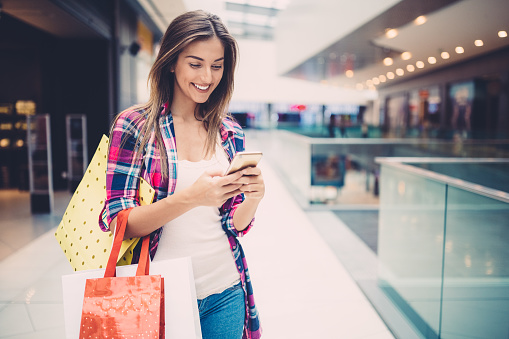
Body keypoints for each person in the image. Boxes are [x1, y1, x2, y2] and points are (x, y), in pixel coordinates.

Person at [100, 10, 264, 339]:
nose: (207, 75)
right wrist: (191, 198)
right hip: (157, 292)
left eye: (217, 66)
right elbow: (119, 221)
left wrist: (253, 199)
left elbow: (232, 224)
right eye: (195, 63)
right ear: (172, 61)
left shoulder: (229, 130)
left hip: (226, 289)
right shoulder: (135, 126)